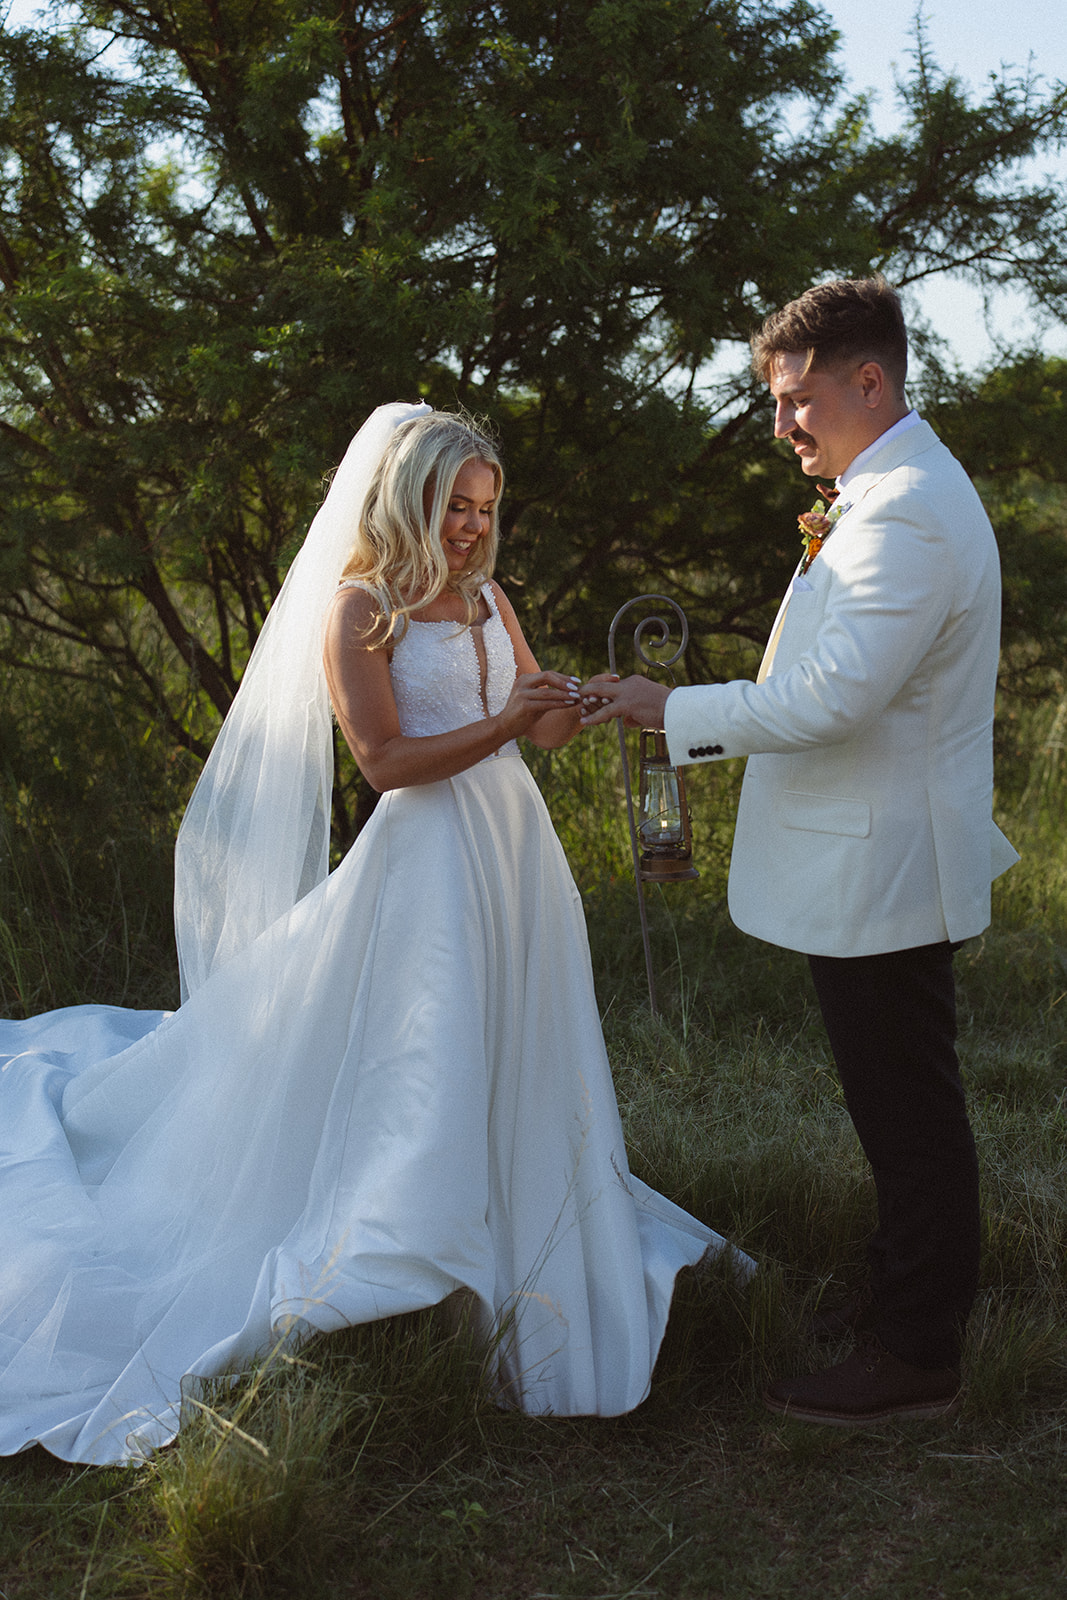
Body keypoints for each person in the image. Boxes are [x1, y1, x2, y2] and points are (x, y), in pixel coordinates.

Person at [0, 403, 749, 1466]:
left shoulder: (486, 595)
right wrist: (500, 723)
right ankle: (421, 1248)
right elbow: (386, 763)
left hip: (510, 849)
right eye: (455, 506)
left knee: (512, 1032)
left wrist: (561, 702)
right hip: (426, 857)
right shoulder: (359, 607)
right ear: (410, 495)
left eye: (485, 509)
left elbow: (527, 725)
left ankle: (520, 1200)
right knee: (425, 1047)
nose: (471, 529)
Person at [580, 277, 1018, 1425]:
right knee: (892, 1099)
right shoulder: (881, 490)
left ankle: (915, 1353)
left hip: (883, 864)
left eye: (795, 400)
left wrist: (667, 710)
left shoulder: (907, 508)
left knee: (908, 1110)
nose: (781, 426)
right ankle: (892, 1299)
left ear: (868, 381)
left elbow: (829, 700)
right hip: (871, 856)